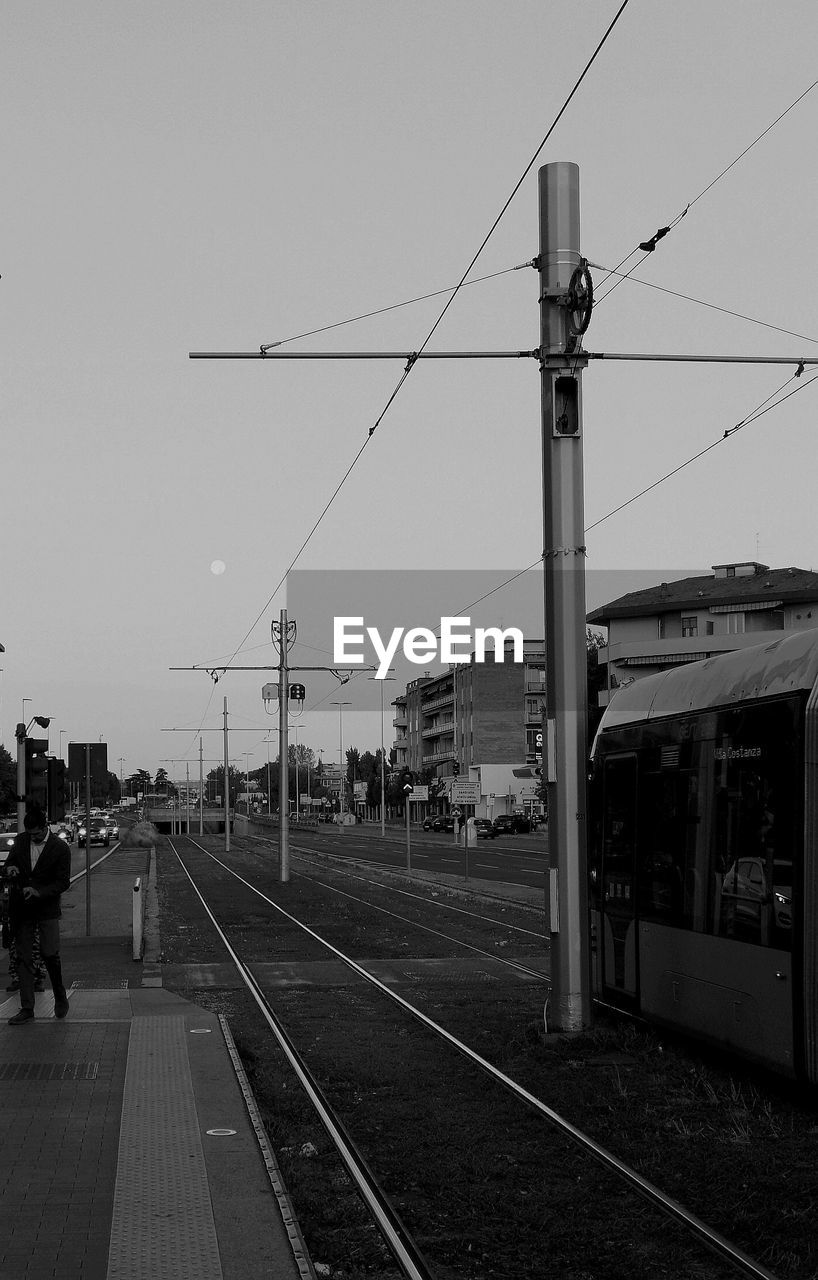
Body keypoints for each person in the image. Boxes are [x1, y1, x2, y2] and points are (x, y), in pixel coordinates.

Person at [5, 806, 71, 1024]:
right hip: (22, 908)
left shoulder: (60, 848)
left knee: (50, 954)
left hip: (47, 908)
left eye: (37, 834)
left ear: (45, 827)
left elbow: (63, 882)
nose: (33, 837)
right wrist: (10, 869)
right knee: (23, 957)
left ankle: (60, 996)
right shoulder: (21, 841)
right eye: (30, 834)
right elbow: (10, 862)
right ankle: (27, 1008)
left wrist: (39, 892)